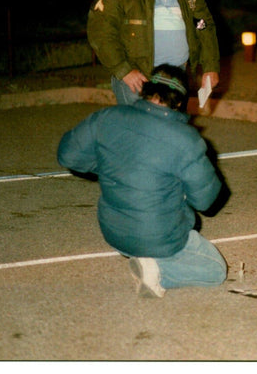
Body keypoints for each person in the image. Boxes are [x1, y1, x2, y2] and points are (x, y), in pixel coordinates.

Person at [57, 64, 228, 298]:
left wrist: (113, 167)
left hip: (114, 234)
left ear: (145, 91)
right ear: (178, 102)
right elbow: (206, 201)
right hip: (159, 237)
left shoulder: (107, 116)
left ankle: (144, 258)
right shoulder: (186, 139)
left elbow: (67, 155)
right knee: (216, 270)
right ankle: (157, 268)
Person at [88, 0, 220, 106]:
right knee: (138, 130)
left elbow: (202, 24)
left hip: (176, 76)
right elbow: (101, 31)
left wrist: (211, 66)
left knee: (172, 128)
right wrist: (124, 70)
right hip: (139, 75)